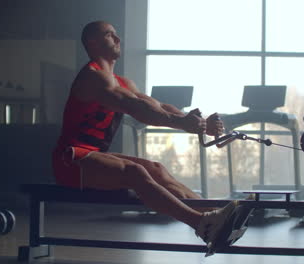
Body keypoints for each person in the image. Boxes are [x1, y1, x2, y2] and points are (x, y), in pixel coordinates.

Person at [52, 20, 247, 252]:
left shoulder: (123, 81)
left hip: (93, 155)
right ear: (92, 42)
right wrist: (183, 123)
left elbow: (158, 106)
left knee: (156, 169)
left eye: (116, 34)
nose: (118, 39)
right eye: (110, 34)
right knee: (136, 172)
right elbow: (134, 107)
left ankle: (214, 215)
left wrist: (198, 124)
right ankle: (202, 225)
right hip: (70, 159)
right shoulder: (92, 77)